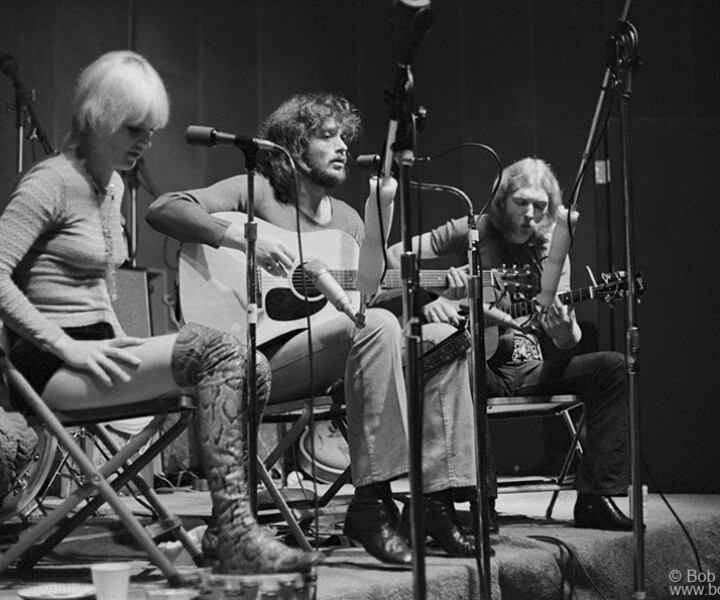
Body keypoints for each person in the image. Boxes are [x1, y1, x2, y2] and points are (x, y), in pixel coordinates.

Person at [0, 50, 324, 575]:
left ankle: (225, 531)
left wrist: (126, 342)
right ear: (98, 117)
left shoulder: (110, 188)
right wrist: (64, 345)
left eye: (151, 130)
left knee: (254, 367)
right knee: (220, 351)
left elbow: (95, 292)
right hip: (52, 367)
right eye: (133, 128)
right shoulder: (49, 183)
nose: (145, 141)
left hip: (97, 355)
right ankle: (239, 536)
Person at [146, 92, 481, 563]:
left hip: (335, 352)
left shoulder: (346, 220)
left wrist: (382, 218)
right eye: (327, 136)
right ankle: (373, 501)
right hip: (260, 358)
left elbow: (366, 289)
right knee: (378, 324)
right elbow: (164, 208)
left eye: (345, 136)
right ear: (293, 146)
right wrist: (240, 238)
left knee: (444, 338)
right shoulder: (257, 192)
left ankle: (438, 503)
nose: (343, 145)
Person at [387, 157, 633, 531]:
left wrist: (565, 330)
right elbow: (391, 258)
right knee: (458, 368)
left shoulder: (553, 247)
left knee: (612, 366)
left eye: (541, 206)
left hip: (531, 366)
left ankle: (596, 498)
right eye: (523, 202)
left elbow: (565, 340)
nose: (532, 214)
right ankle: (479, 503)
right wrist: (434, 296)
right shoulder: (473, 230)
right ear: (502, 200)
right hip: (479, 364)